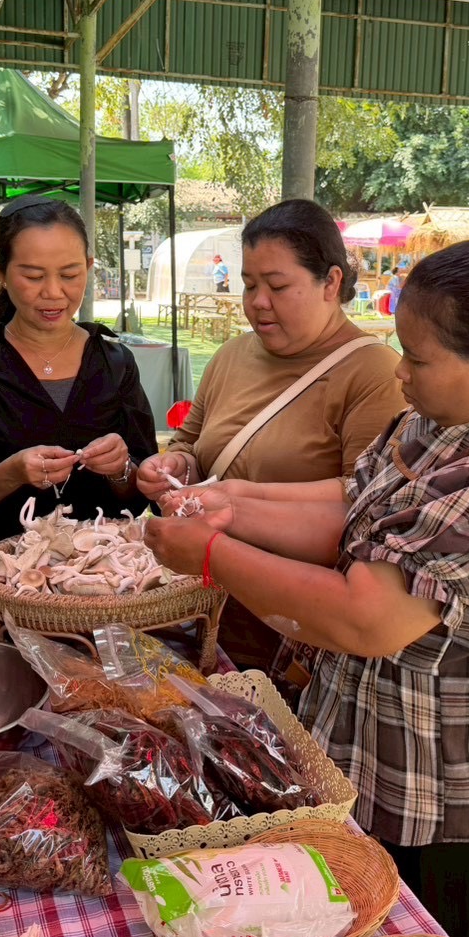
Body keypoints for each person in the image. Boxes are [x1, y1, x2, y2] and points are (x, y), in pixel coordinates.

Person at [143, 244, 469, 937]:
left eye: (416, 358)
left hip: (435, 787)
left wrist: (212, 554)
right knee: (347, 926)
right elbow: (355, 510)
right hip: (361, 748)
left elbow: (364, 617)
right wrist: (232, 508)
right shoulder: (435, 425)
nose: (400, 372)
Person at [134, 200, 404, 670]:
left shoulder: (374, 374)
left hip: (290, 626)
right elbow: (192, 445)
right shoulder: (232, 355)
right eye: (249, 285)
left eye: (277, 286)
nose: (258, 301)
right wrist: (175, 466)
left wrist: (235, 505)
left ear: (331, 283)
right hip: (199, 603)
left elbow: (365, 503)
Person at [0, 196, 157, 636]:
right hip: (1, 605)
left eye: (70, 274)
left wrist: (121, 467)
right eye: (33, 276)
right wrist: (9, 473)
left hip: (105, 604)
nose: (53, 293)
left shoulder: (114, 364)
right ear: (0, 272)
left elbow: (139, 489)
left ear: (89, 267)